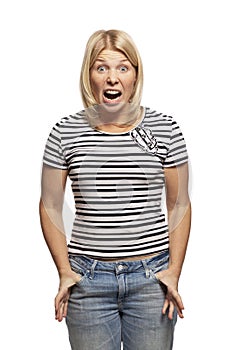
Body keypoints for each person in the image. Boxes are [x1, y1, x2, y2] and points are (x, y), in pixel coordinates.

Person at [39, 29, 191, 350]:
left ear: (135, 76)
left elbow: (179, 204)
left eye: (123, 67)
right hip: (88, 281)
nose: (112, 78)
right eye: (101, 67)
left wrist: (174, 271)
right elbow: (50, 204)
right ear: (89, 75)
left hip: (152, 281)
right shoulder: (65, 132)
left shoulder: (165, 129)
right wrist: (65, 271)